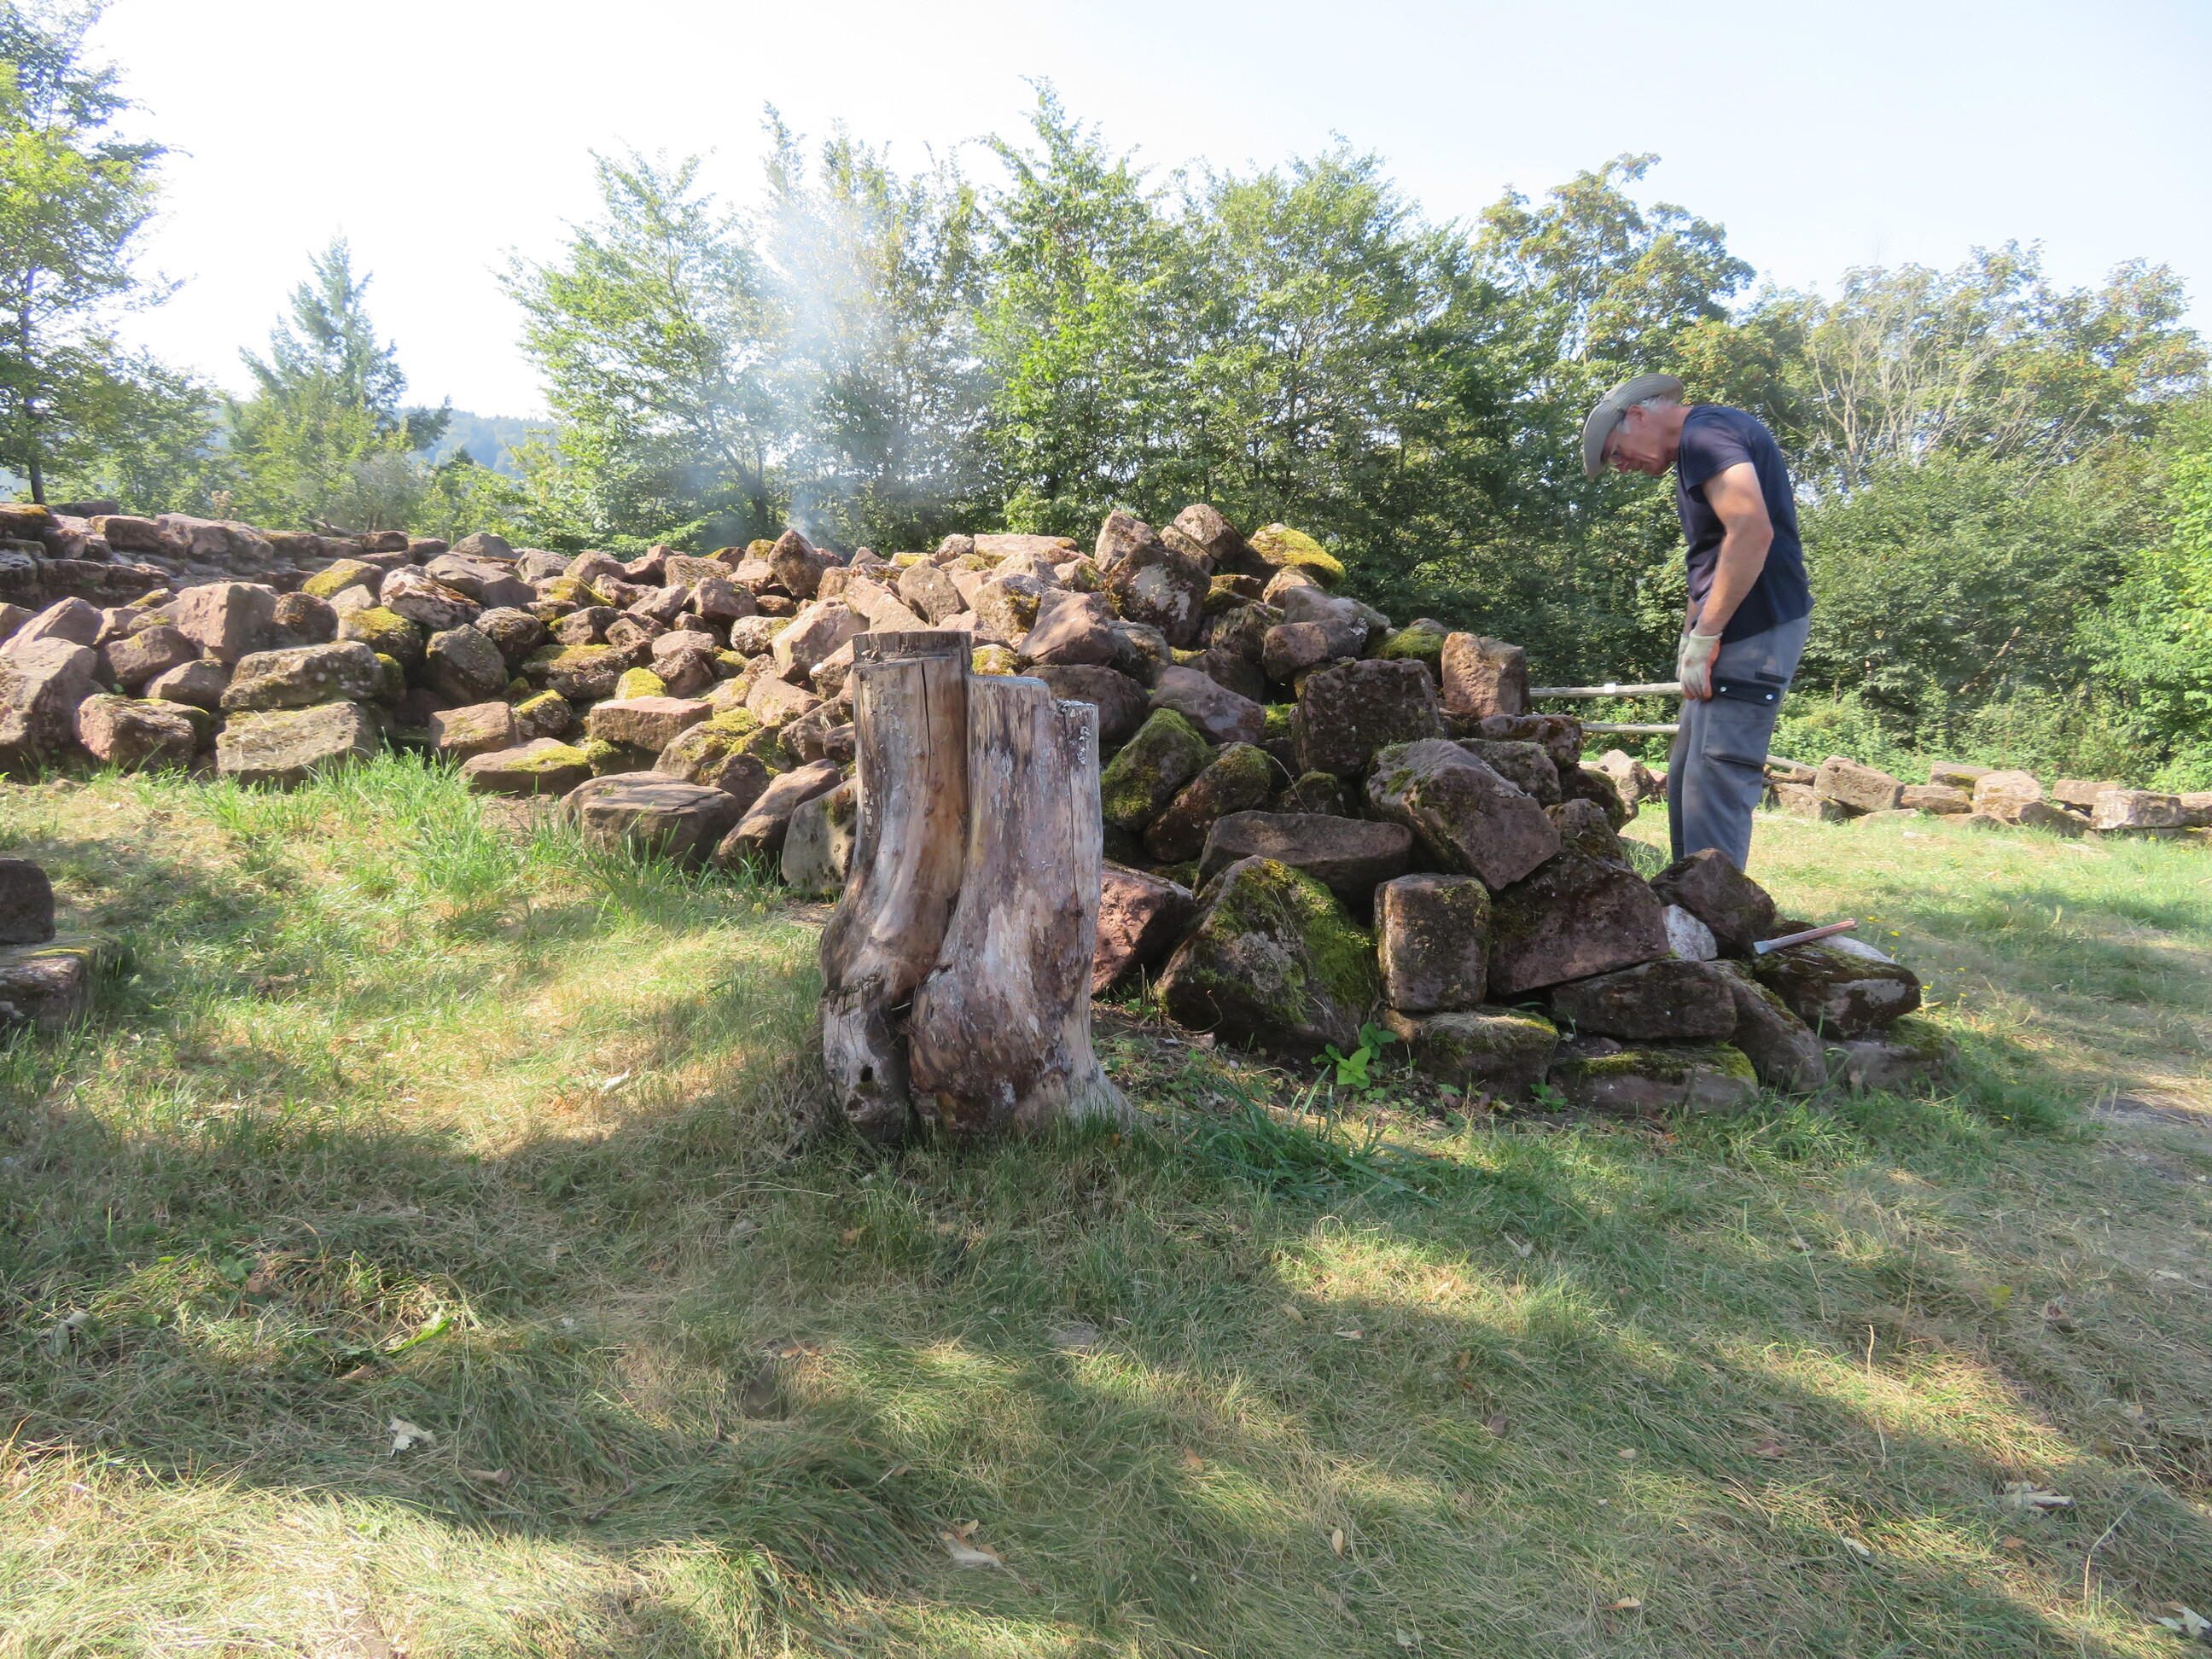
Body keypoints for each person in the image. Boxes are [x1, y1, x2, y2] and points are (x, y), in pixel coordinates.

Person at [1580, 372, 1812, 871]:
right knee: (1690, 773)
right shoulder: (1699, 447)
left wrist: (1708, 634)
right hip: (1729, 631)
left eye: (1616, 453)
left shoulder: (1705, 434)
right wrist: (1691, 638)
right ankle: (1689, 899)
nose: (1622, 467)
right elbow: (1709, 559)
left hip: (1754, 629)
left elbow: (1750, 529)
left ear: (1637, 415)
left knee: (1717, 777)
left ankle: (1715, 912)